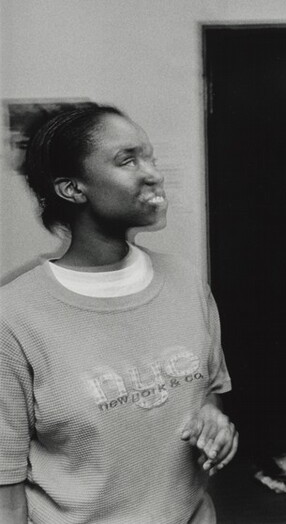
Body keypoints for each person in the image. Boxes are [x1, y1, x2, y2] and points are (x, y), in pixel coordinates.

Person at [0, 106, 238, 524]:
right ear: (72, 188)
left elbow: (207, 389)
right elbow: (6, 488)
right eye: (128, 160)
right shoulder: (14, 317)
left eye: (150, 158)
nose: (153, 174)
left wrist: (211, 417)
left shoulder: (185, 281)